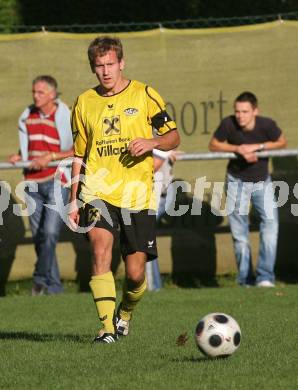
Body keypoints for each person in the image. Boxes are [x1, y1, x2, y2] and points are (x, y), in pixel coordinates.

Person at [68, 36, 180, 343]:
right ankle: (106, 330)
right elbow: (79, 154)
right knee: (99, 250)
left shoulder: (145, 94)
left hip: (136, 193)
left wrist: (152, 142)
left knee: (134, 275)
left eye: (110, 64)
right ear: (93, 67)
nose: (105, 71)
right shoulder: (83, 103)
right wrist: (73, 199)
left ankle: (125, 313)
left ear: (122, 63)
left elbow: (173, 137)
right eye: (99, 66)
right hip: (97, 190)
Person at [209, 91, 287, 287]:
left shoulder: (266, 125)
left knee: (270, 227)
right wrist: (238, 149)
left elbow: (282, 142)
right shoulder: (228, 124)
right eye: (237, 111)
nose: (240, 115)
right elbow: (214, 145)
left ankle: (265, 277)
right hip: (236, 182)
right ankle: (245, 280)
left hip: (263, 182)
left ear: (255, 111)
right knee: (239, 232)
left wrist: (257, 147)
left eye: (245, 111)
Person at [9, 75, 73, 295]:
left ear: (52, 94)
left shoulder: (66, 116)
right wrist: (20, 156)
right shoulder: (28, 116)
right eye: (34, 92)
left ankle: (39, 278)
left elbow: (78, 150)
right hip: (33, 183)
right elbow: (32, 146)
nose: (35, 96)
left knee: (50, 233)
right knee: (41, 237)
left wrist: (51, 156)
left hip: (57, 180)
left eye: (40, 92)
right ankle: (54, 289)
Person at [145, 149, 179, 291]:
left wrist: (164, 152)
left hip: (157, 191)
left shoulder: (158, 134)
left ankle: (153, 286)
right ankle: (152, 285)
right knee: (143, 238)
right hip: (148, 191)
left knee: (144, 238)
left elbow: (152, 166)